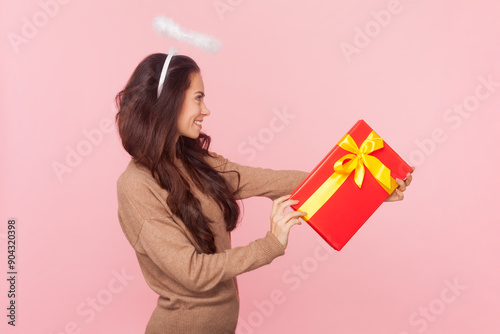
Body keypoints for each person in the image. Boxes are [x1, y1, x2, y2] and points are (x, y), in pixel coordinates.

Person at [114, 51, 414, 334]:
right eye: (198, 98)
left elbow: (271, 181)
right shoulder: (135, 187)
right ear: (170, 101)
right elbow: (193, 273)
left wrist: (368, 188)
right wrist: (270, 244)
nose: (206, 110)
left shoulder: (195, 161)